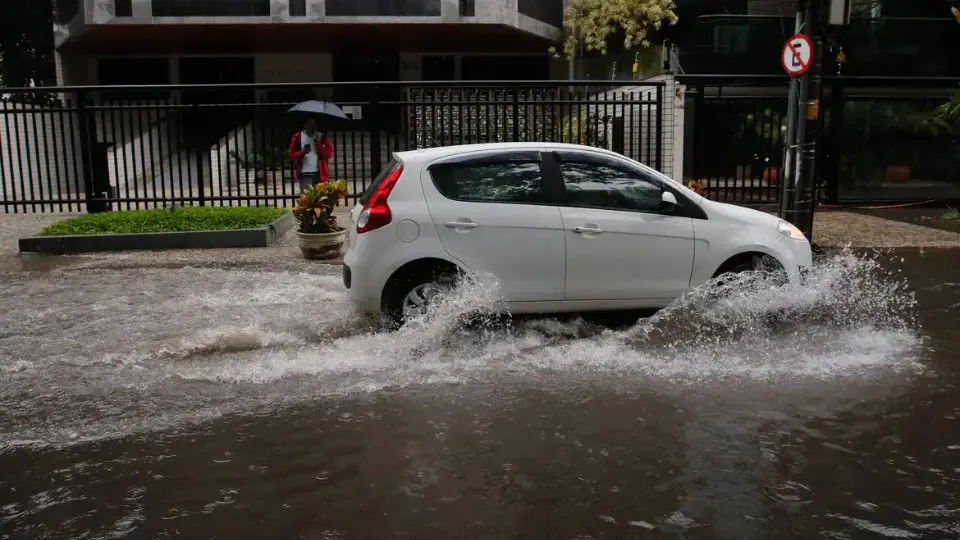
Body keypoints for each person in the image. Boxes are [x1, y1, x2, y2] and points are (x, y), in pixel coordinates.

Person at [288, 117, 334, 191]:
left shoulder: (321, 136)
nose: (312, 125)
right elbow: (291, 155)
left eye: (314, 123)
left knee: (321, 199)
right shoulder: (297, 137)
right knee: (306, 199)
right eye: (309, 123)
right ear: (304, 124)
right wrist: (301, 152)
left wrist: (318, 144)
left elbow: (327, 155)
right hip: (305, 173)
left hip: (320, 173)